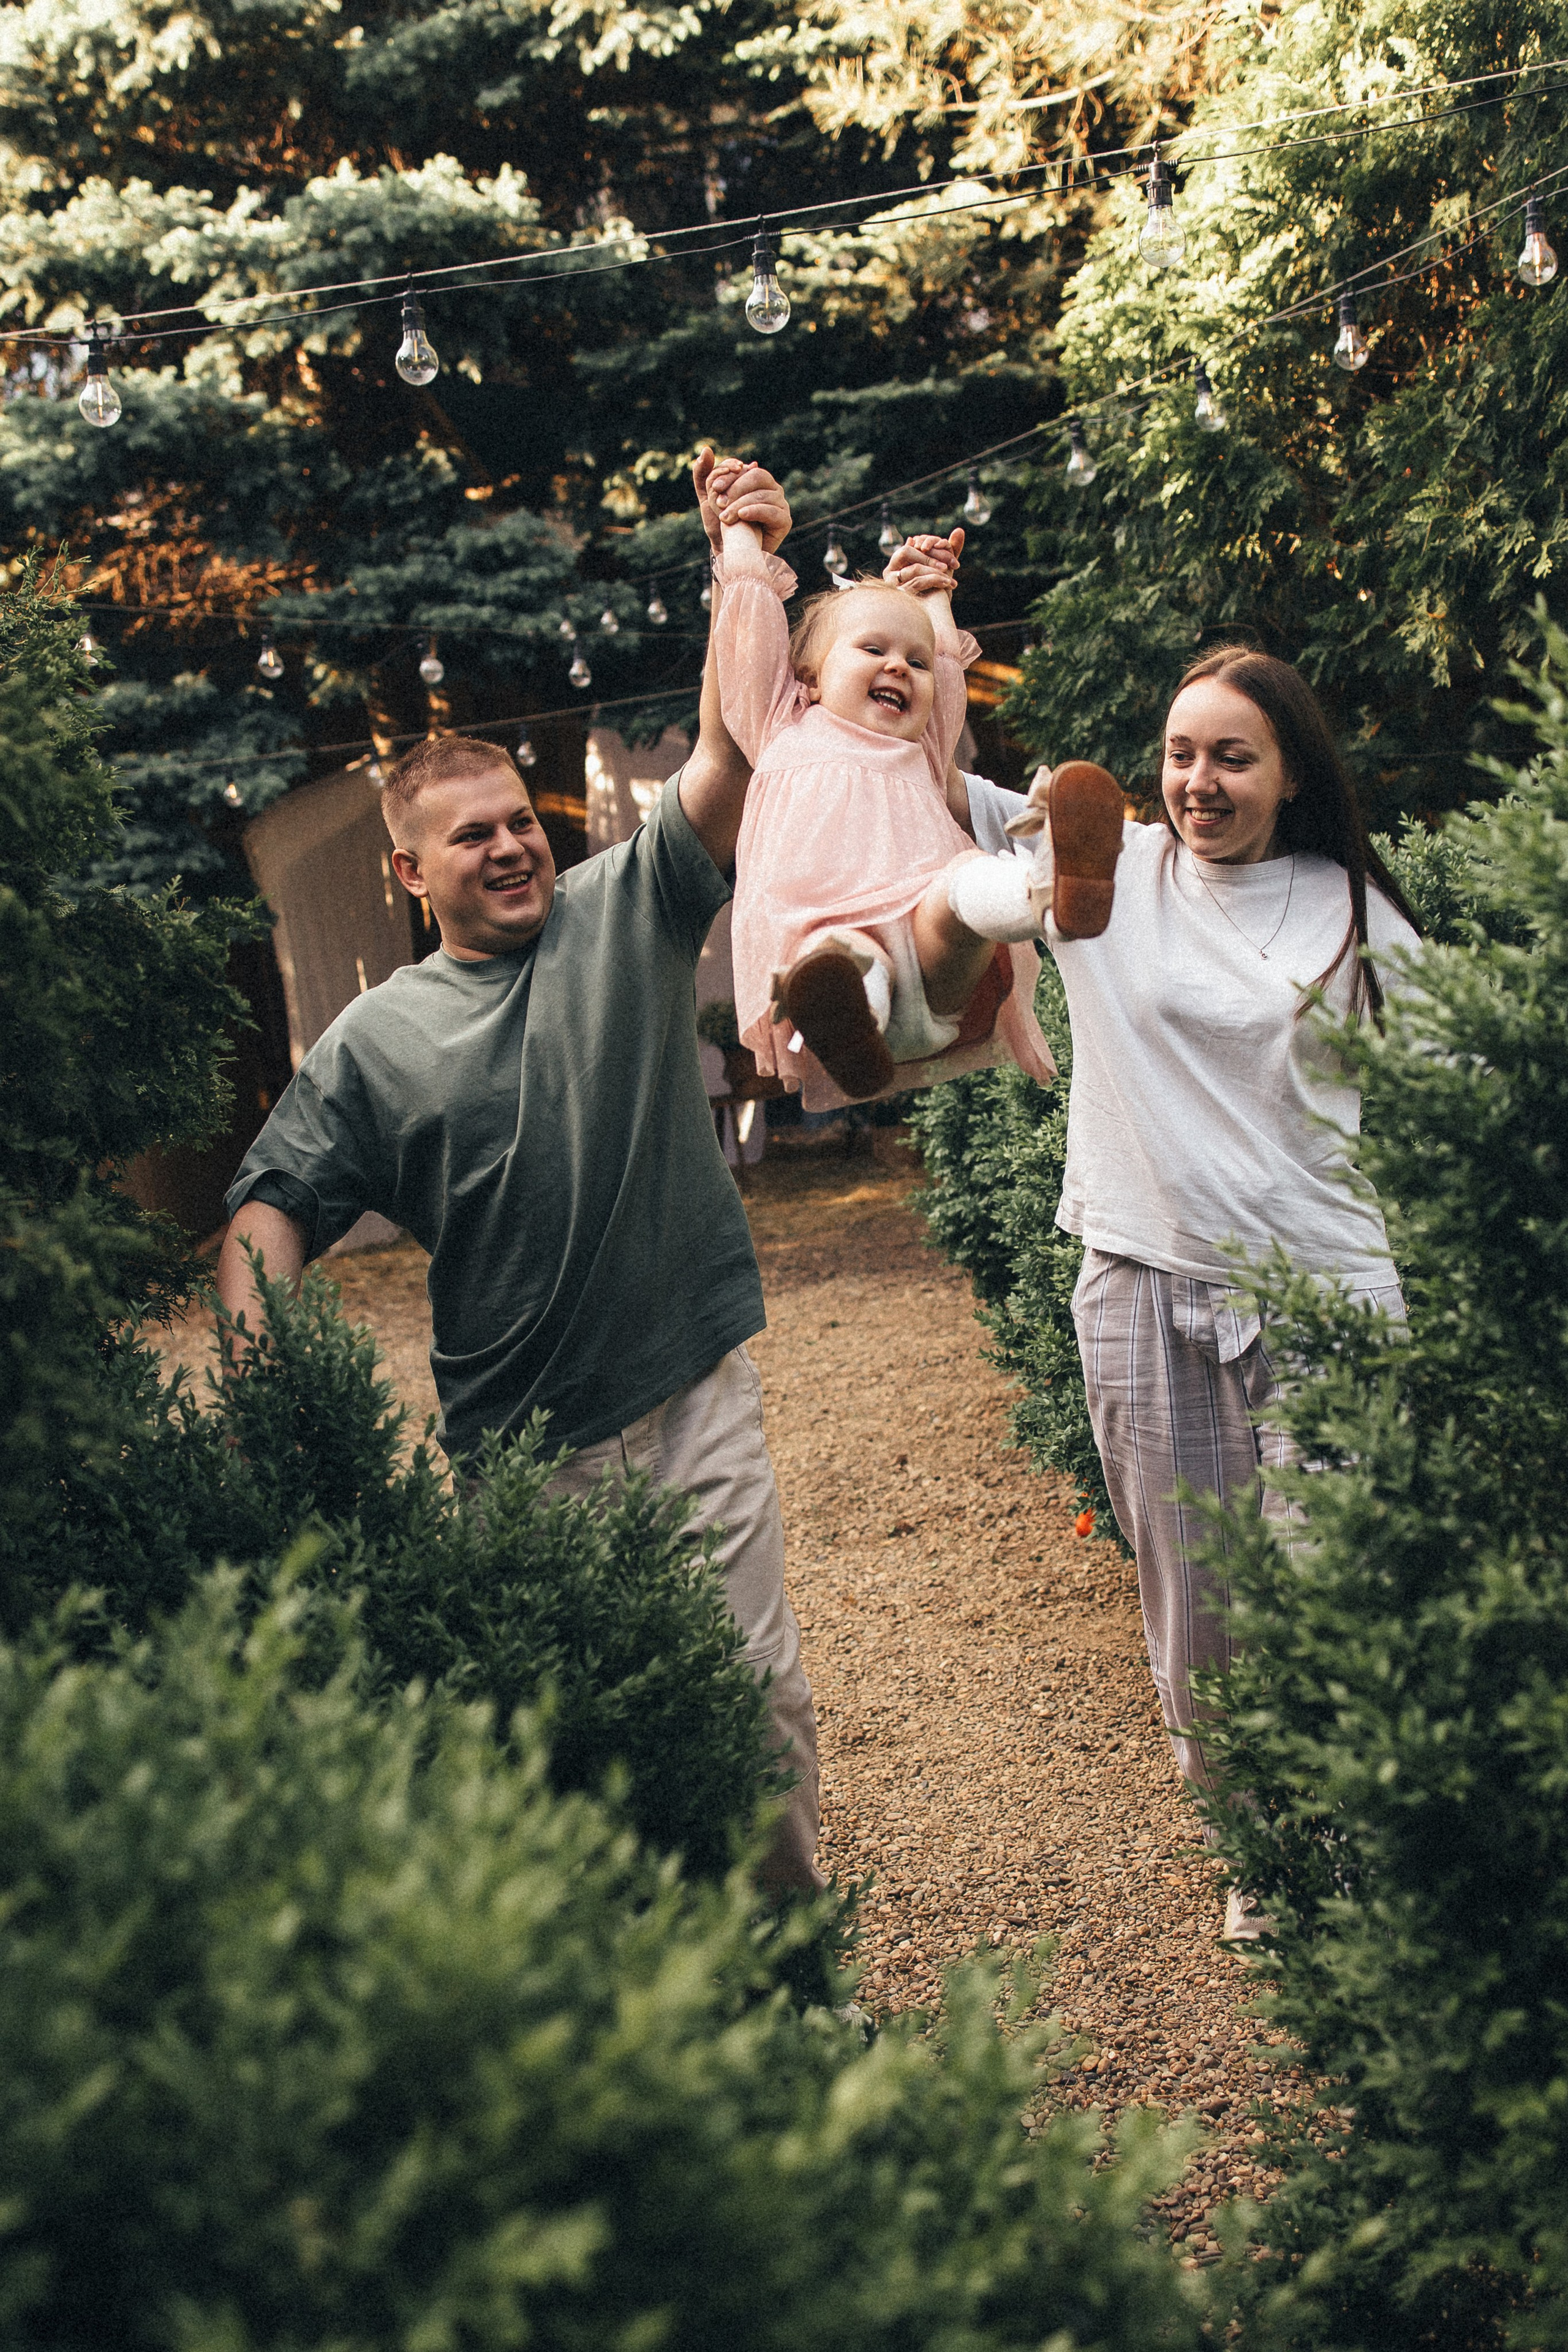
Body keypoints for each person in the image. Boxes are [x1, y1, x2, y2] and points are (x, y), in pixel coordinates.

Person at [217, 454, 827, 1893]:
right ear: (407, 874)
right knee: (580, 1743)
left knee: (757, 1698)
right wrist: (265, 1369)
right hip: (525, 1451)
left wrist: (740, 555)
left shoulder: (631, 904)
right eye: (470, 833)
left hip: (692, 1392)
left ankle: (797, 1974)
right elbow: (267, 1208)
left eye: (517, 819)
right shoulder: (375, 1044)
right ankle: (641, 2000)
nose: (509, 843)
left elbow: (728, 756)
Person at [1020, 646, 1422, 1937]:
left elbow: (1461, 1081)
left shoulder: (1351, 909)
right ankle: (1264, 1860)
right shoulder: (1106, 876)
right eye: (1179, 754)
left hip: (1323, 1299)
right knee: (1194, 1612)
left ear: (1288, 771)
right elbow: (910, 789)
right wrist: (925, 621)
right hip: (1141, 1286)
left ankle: (1363, 1861)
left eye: (1231, 756)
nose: (1197, 782)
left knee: (1337, 1588)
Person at [711, 490, 1111, 1109]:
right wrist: (739, 534)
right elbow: (747, 636)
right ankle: (852, 1022)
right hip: (836, 978)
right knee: (835, 958)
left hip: (936, 970)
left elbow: (946, 669)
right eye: (874, 650)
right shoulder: (778, 725)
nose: (900, 667)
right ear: (808, 676)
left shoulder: (921, 748)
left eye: (915, 662)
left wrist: (933, 598)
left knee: (962, 885)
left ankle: (1050, 894)